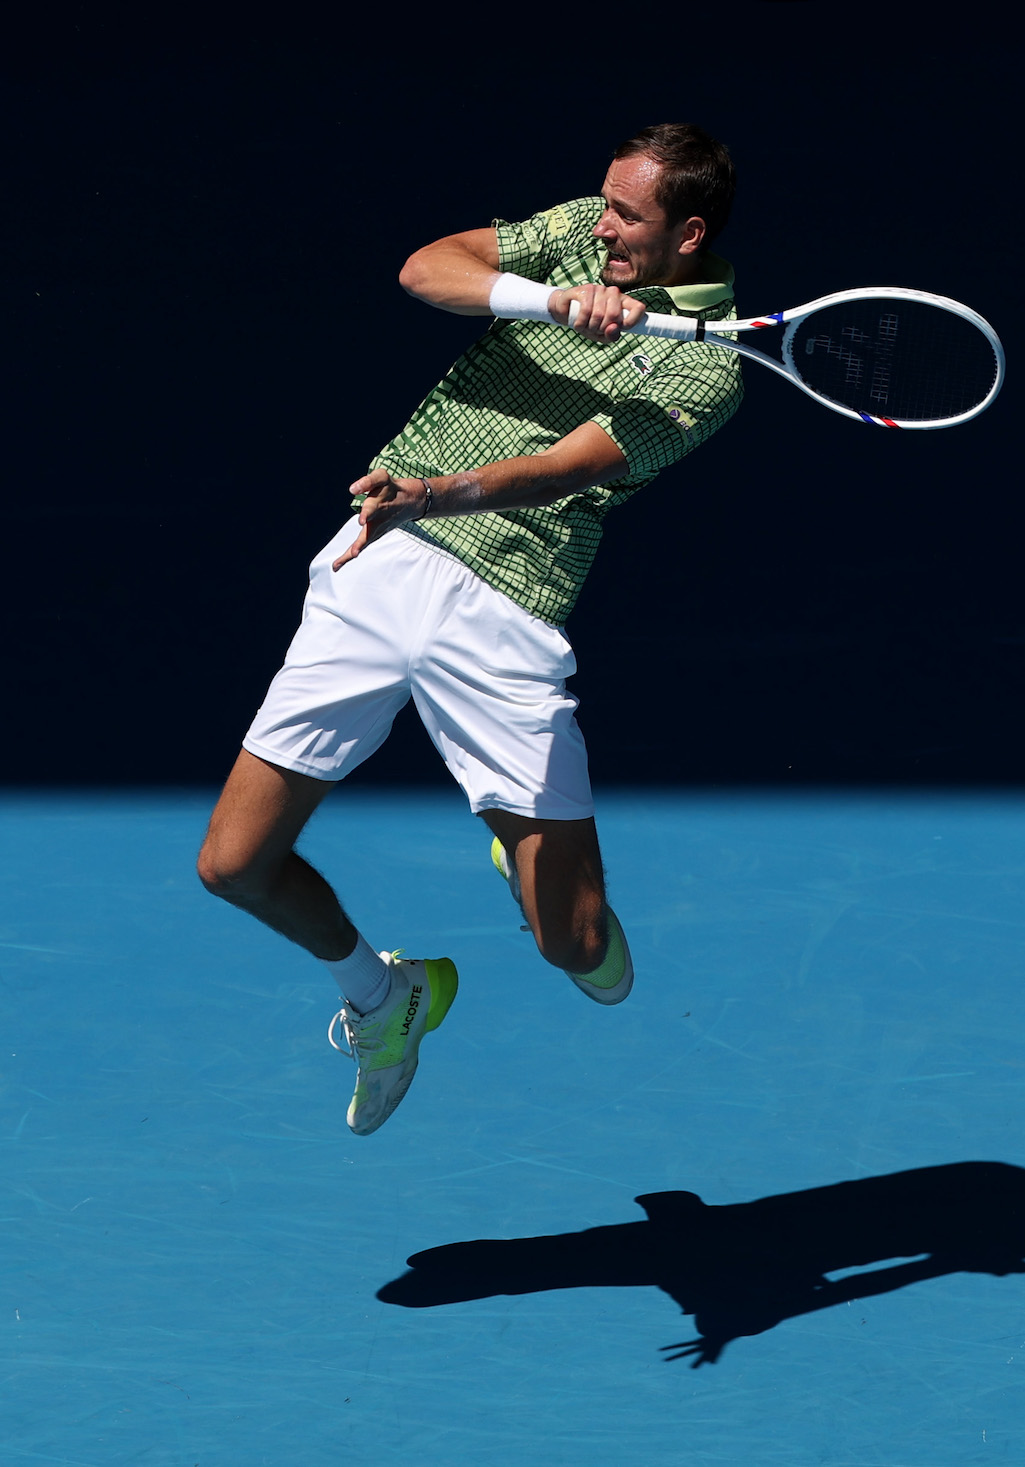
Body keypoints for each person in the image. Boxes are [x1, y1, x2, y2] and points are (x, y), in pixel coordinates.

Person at [196, 123, 746, 1135]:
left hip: (504, 610)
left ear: (689, 234)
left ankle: (535, 872)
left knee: (576, 947)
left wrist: (437, 495)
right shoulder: (581, 234)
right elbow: (424, 269)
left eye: (628, 216)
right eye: (606, 204)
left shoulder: (708, 376)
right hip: (379, 561)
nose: (605, 226)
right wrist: (550, 297)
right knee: (234, 863)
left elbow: (571, 466)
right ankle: (383, 996)